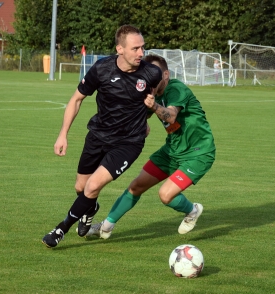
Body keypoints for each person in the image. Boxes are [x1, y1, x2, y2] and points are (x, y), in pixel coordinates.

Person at [41, 25, 162, 248]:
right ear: (120, 49)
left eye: (142, 48)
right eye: (135, 48)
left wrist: (147, 115)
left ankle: (60, 229)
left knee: (92, 187)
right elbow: (76, 99)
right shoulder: (101, 69)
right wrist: (62, 135)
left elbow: (151, 100)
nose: (141, 53)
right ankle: (91, 208)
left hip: (128, 143)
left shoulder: (151, 73)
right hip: (98, 135)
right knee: (81, 188)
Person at [84, 55, 216, 239]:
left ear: (166, 74)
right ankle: (106, 226)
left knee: (165, 195)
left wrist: (153, 106)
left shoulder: (176, 89)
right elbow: (139, 117)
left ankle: (193, 211)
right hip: (172, 150)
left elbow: (170, 116)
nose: (151, 79)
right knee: (136, 186)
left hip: (198, 153)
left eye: (155, 75)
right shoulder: (150, 93)